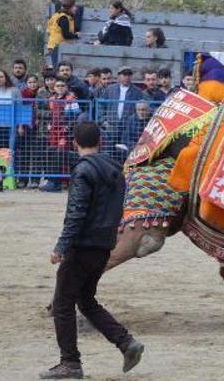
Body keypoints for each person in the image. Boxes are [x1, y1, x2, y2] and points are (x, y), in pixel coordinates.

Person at [39, 121, 144, 379]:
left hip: (83, 246)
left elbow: (76, 212)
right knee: (85, 301)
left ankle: (70, 363)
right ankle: (126, 342)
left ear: (75, 143)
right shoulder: (114, 169)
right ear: (100, 141)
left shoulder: (83, 170)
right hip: (105, 244)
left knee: (63, 303)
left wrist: (62, 246)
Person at [40, 77, 80, 192]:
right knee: (50, 152)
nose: (60, 88)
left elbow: (76, 116)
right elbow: (50, 115)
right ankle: (50, 180)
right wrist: (49, 123)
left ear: (66, 87)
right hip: (53, 132)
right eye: (58, 86)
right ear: (54, 87)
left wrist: (68, 127)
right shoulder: (52, 99)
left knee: (61, 153)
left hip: (65, 133)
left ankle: (58, 182)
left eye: (62, 85)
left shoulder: (71, 99)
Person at [101, 67, 147, 161]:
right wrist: (103, 120)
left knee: (125, 152)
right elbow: (101, 105)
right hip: (112, 126)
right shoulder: (110, 89)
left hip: (128, 127)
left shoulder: (137, 92)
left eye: (129, 75)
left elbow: (142, 108)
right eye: (124, 74)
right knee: (110, 152)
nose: (127, 77)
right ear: (119, 76)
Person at [0, 69, 21, 148]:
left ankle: (12, 161)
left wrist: (20, 126)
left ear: (6, 78)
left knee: (12, 149)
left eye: (1, 77)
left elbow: (20, 108)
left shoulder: (15, 91)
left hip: (12, 126)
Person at [46, 0, 79, 69]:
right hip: (58, 46)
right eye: (74, 6)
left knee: (57, 67)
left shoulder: (57, 15)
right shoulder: (64, 18)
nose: (76, 8)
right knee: (58, 69)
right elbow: (66, 34)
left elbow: (49, 30)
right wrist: (76, 36)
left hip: (54, 45)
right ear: (69, 8)